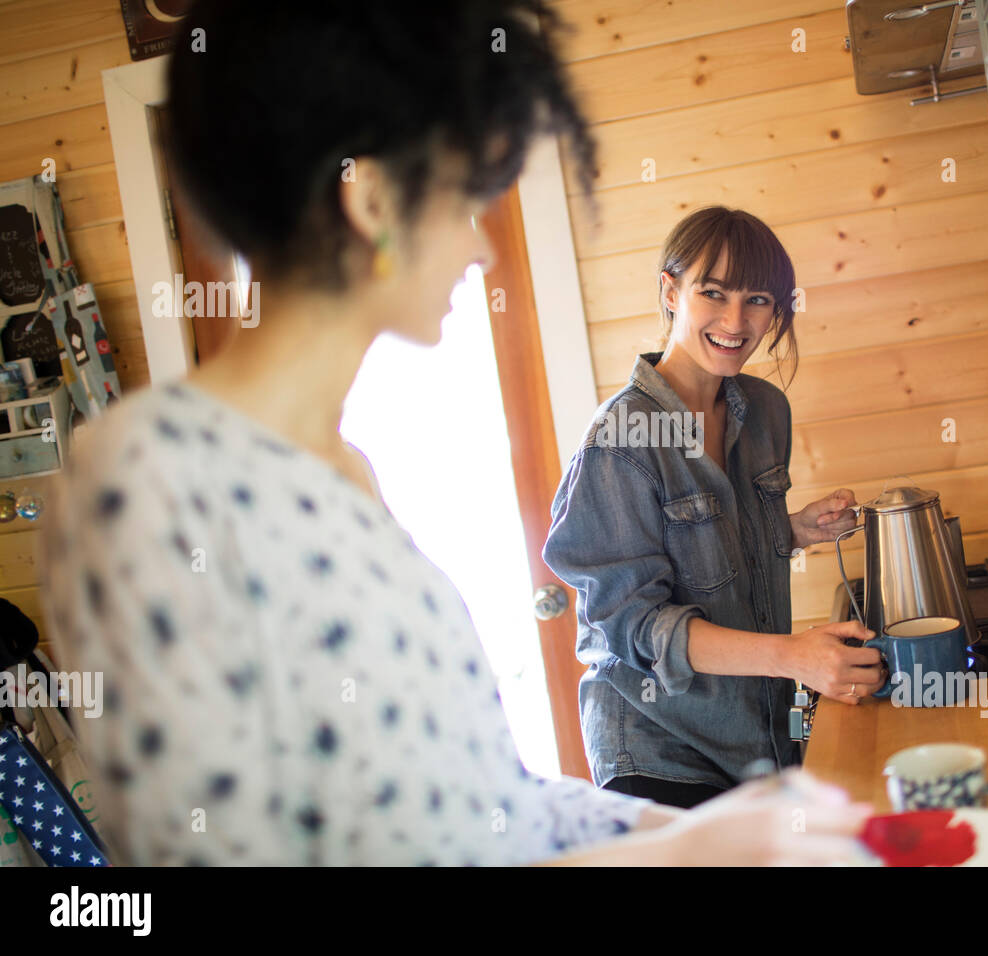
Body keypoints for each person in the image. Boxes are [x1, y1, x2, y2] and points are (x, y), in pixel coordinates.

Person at [37, 0, 873, 865]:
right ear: (371, 199)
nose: (480, 249)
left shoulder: (344, 469)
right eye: (465, 198)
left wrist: (704, 837)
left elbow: (485, 804)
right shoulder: (151, 479)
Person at [543, 207, 886, 809]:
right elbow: (634, 626)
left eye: (757, 300)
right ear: (671, 291)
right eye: (713, 293)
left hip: (756, 740)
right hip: (658, 753)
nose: (736, 321)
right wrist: (791, 657)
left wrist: (795, 529)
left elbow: (714, 537)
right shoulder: (620, 440)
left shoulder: (764, 410)